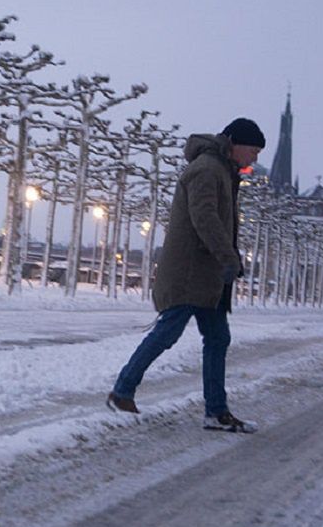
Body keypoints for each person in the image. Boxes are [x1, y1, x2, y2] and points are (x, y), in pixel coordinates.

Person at [106, 117, 266, 433]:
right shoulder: (207, 168)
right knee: (168, 333)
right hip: (191, 271)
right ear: (235, 143)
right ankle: (122, 390)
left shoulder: (223, 170)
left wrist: (227, 259)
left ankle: (216, 412)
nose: (255, 159)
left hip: (210, 275)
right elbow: (204, 218)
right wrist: (227, 255)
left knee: (218, 338)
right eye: (253, 151)